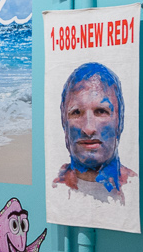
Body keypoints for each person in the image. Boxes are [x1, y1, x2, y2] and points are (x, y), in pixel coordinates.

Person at [52, 61, 134, 205]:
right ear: (64, 122)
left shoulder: (134, 186)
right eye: (76, 112)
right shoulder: (55, 188)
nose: (88, 128)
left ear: (119, 121)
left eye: (101, 111)